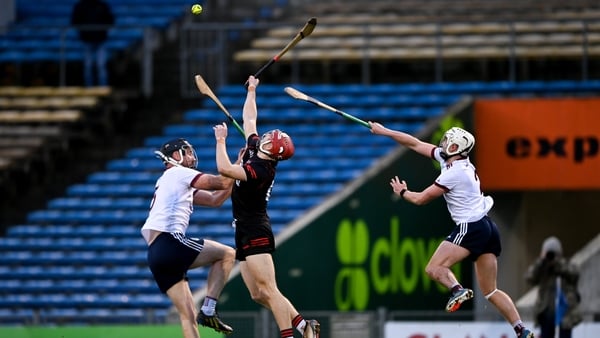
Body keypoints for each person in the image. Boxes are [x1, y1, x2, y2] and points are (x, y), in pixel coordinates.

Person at [369, 123, 535, 338]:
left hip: (471, 226)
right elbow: (415, 143)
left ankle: (457, 290)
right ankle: (521, 330)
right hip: (488, 227)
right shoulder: (453, 161)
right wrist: (386, 132)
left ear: (457, 148)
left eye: (448, 141)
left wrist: (403, 192)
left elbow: (421, 199)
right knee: (491, 291)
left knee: (433, 268)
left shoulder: (454, 173)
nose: (443, 143)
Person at [211, 75, 321, 338]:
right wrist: (251, 89)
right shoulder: (255, 149)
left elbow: (225, 169)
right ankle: (305, 327)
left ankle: (288, 335)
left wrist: (221, 141)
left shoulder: (260, 169)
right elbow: (250, 118)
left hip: (255, 229)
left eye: (272, 141)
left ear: (274, 152)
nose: (267, 138)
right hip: (244, 229)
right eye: (270, 136)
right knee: (258, 294)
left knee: (269, 289)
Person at [141, 138, 241, 338]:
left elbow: (215, 200)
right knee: (227, 254)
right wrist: (238, 166)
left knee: (187, 315)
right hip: (169, 242)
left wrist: (237, 171)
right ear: (175, 155)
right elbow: (221, 182)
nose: (191, 156)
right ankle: (210, 309)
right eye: (186, 152)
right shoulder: (179, 173)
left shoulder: (170, 179)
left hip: (155, 254)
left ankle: (205, 312)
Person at [525, 236, 582, 338]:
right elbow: (530, 278)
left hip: (565, 313)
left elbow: (575, 274)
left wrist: (558, 263)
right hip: (546, 312)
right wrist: (541, 261)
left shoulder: (566, 265)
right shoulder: (542, 266)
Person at [70, 0, 114, 86]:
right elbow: (75, 21)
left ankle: (103, 87)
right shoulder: (80, 6)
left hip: (101, 40)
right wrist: (83, 32)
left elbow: (110, 20)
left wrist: (103, 31)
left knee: (101, 65)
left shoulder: (102, 5)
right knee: (88, 66)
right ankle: (89, 88)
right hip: (86, 40)